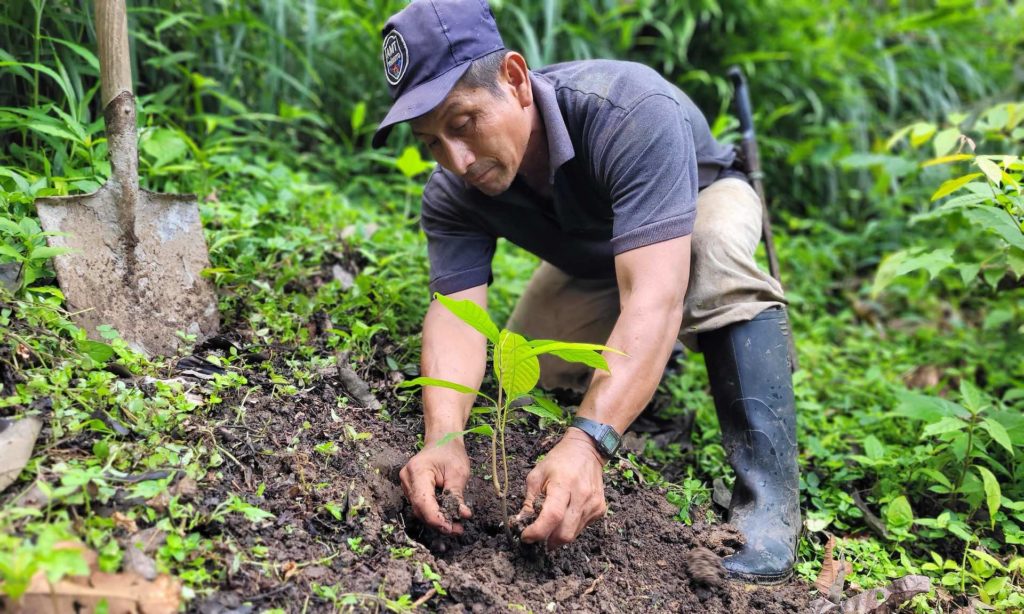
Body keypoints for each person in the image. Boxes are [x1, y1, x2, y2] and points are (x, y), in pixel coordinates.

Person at [372, 0, 800, 584]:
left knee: (713, 251)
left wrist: (588, 443)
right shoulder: (453, 192)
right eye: (432, 143)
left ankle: (768, 508)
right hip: (600, 258)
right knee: (528, 372)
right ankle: (651, 362)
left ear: (516, 81)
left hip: (694, 212)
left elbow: (653, 294)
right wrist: (444, 437)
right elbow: (456, 317)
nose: (458, 160)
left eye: (464, 123)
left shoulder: (628, 111)